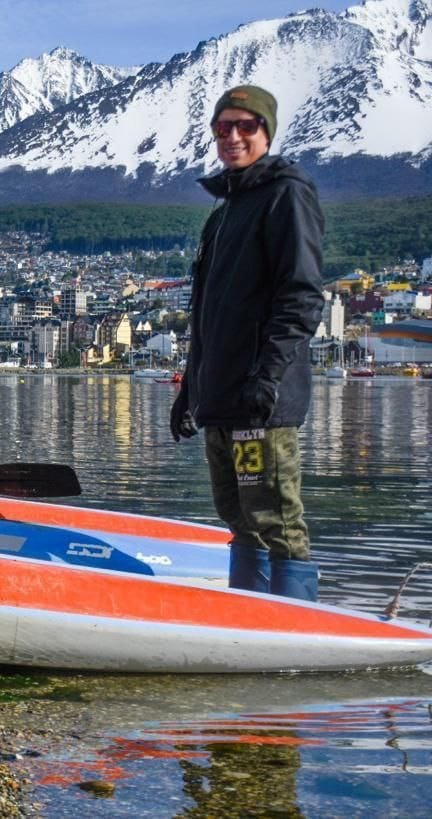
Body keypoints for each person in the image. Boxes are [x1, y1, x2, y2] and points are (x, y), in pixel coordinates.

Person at [170, 85, 325, 601]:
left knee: (275, 516)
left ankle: (296, 629)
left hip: (262, 403)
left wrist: (269, 376)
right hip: (220, 398)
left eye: (246, 126)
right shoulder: (223, 212)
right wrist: (190, 389)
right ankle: (250, 618)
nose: (232, 137)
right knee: (237, 515)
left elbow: (301, 296)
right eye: (222, 128)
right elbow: (208, 315)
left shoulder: (286, 194)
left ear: (266, 132)